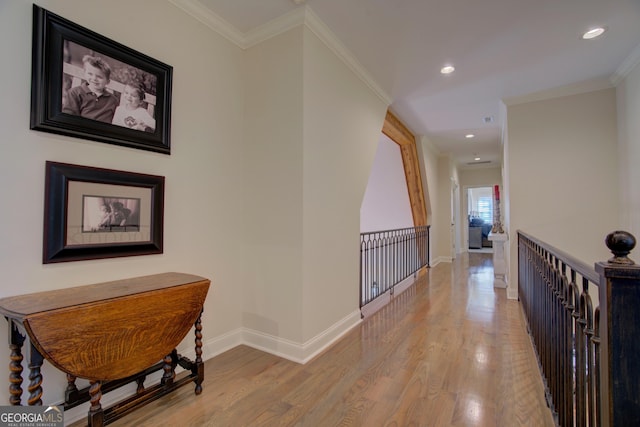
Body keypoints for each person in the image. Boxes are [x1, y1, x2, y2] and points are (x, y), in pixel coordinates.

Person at [62, 55, 119, 123]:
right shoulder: (75, 93)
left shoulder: (113, 100)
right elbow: (69, 117)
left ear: (107, 81)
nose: (94, 79)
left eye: (99, 77)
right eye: (90, 74)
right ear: (85, 74)